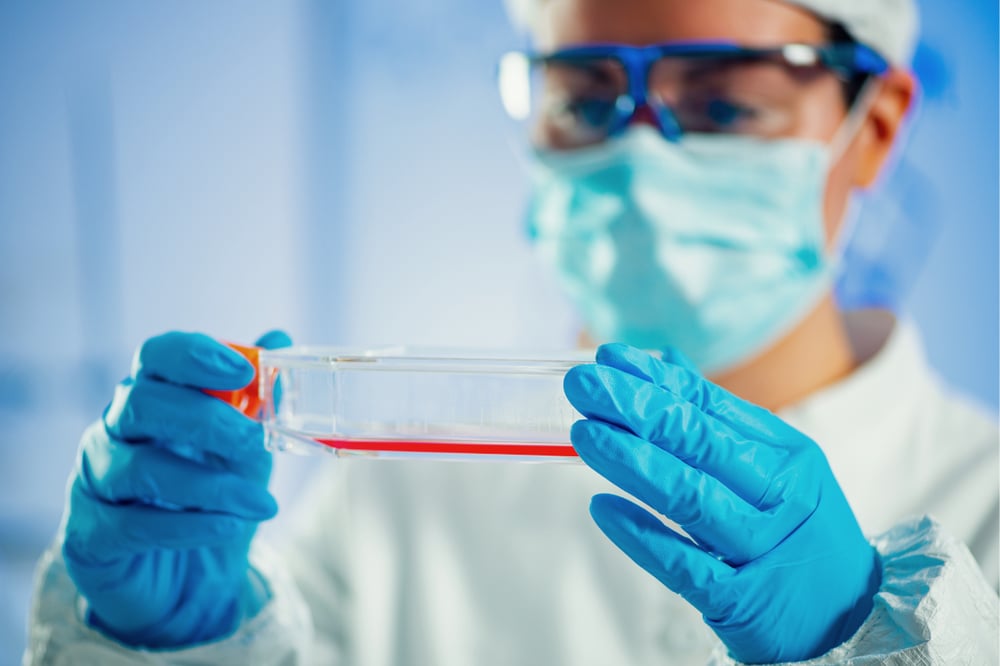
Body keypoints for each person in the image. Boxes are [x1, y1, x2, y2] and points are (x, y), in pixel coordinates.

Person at [24, 0, 999, 663]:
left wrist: (866, 639)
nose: (637, 159)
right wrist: (170, 647)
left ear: (872, 126)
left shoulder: (984, 499)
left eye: (724, 104)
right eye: (583, 100)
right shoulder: (391, 498)